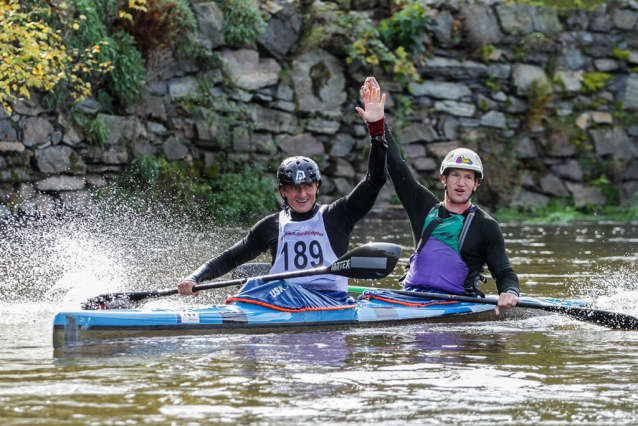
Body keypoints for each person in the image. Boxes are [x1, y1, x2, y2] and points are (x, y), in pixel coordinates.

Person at [176, 85, 388, 307]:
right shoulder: (271, 226)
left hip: (330, 302)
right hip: (282, 301)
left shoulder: (339, 216)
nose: (302, 194)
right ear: (283, 192)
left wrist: (376, 130)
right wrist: (194, 278)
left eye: (308, 186)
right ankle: (236, 310)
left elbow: (375, 179)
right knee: (255, 284)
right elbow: (230, 258)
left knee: (264, 287)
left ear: (317, 186)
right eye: (294, 188)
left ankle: (242, 306)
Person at [360, 77, 519, 315]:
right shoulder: (424, 207)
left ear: (476, 185)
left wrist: (510, 292)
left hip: (456, 305)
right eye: (456, 175)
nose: (461, 183)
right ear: (444, 179)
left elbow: (504, 272)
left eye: (468, 178)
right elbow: (396, 165)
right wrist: (377, 124)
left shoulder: (486, 226)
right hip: (411, 298)